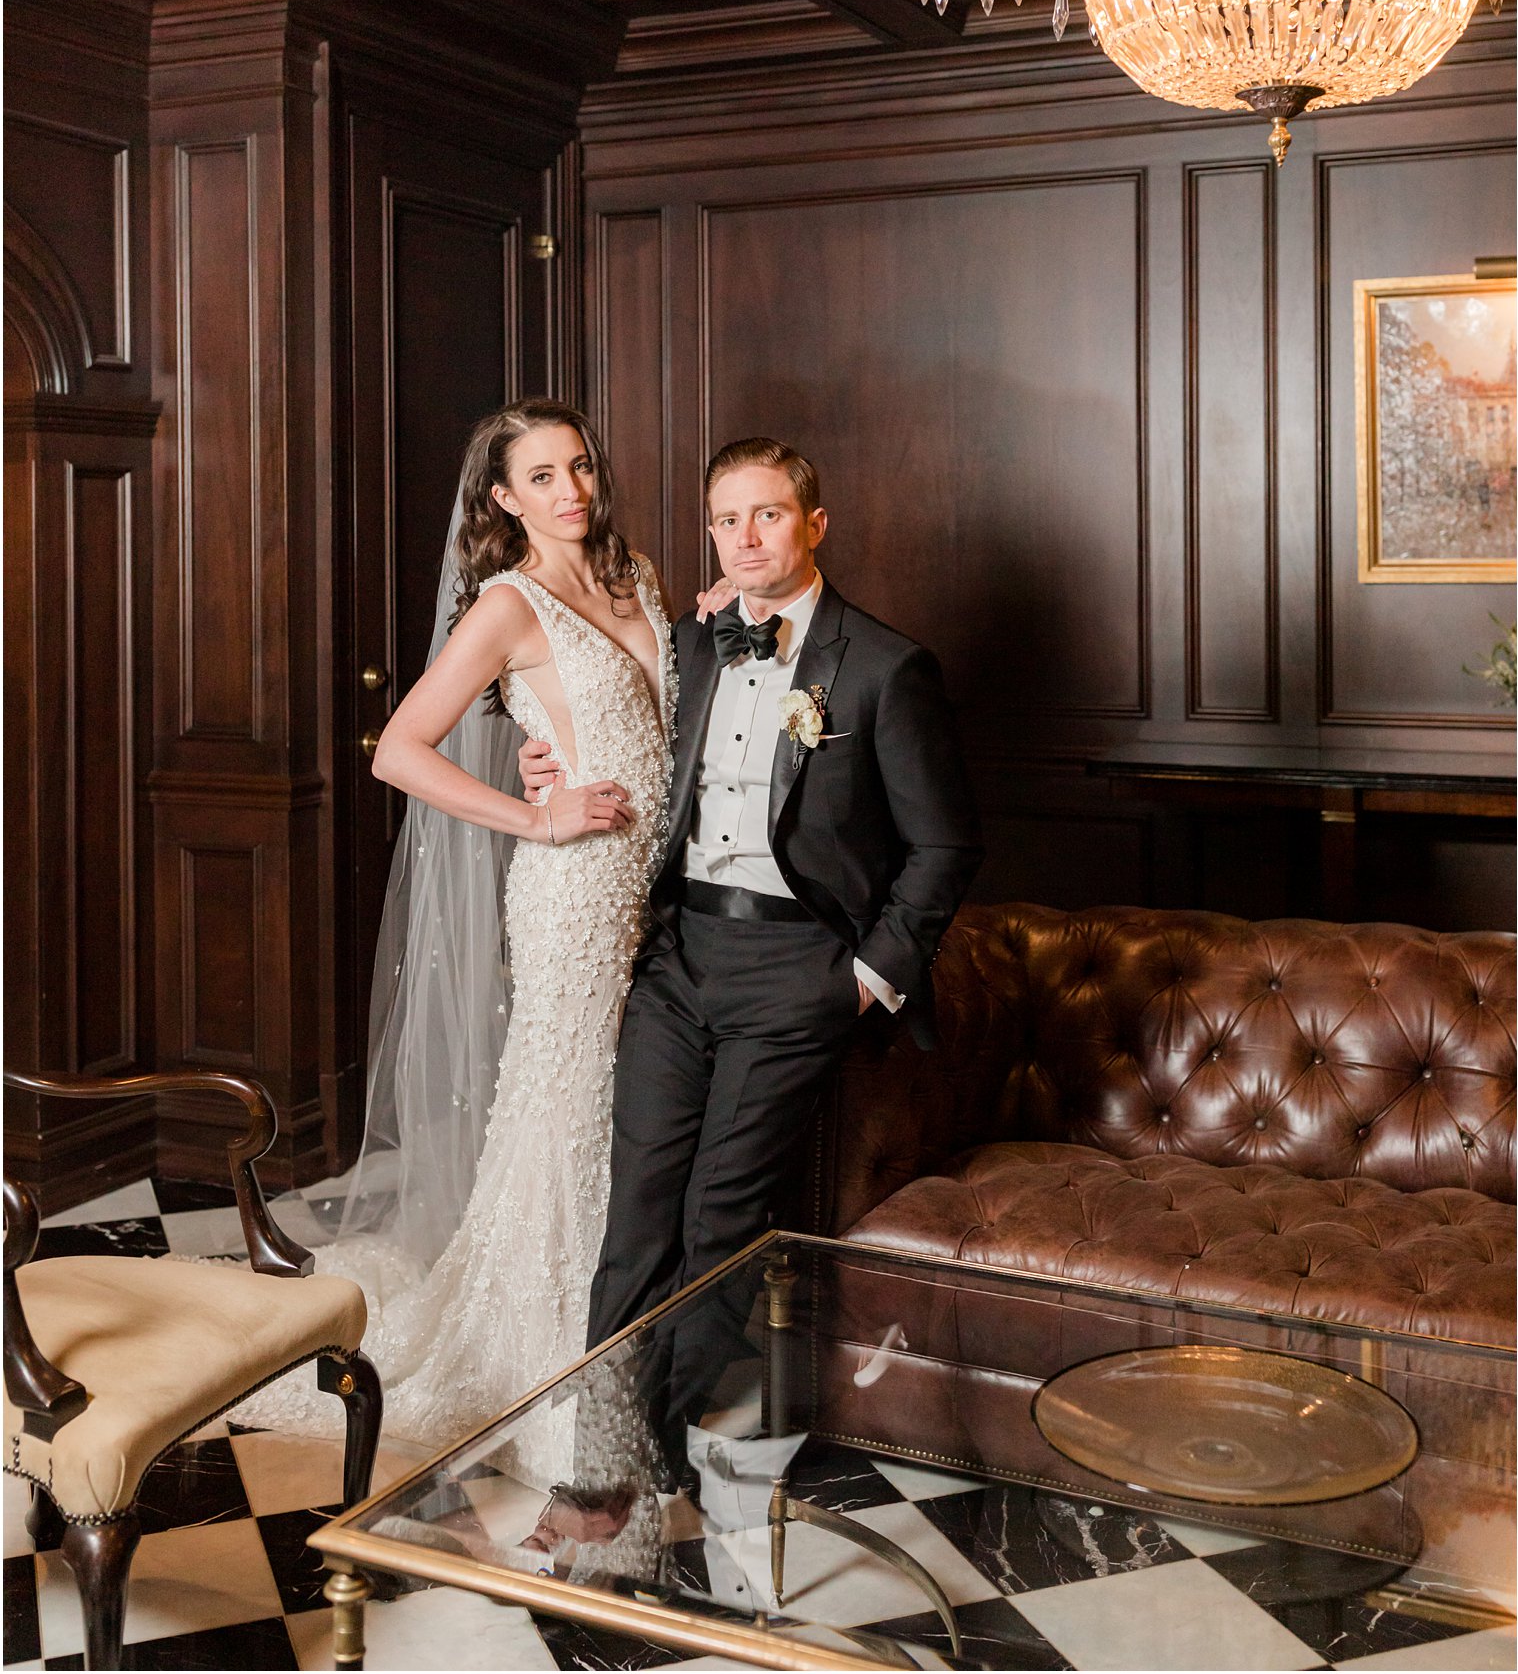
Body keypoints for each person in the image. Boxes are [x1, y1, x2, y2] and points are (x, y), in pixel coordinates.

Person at [233, 399, 695, 1468]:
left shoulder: (637, 575)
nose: (570, 491)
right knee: (565, 1117)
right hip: (574, 895)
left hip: (660, 892)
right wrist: (537, 812)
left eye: (579, 467)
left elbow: (666, 712)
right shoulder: (507, 602)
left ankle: (635, 1334)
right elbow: (398, 750)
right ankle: (555, 1362)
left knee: (633, 1117)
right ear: (501, 497)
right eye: (540, 478)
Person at [523, 436, 981, 1397]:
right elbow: (596, 717)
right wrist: (541, 767)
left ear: (815, 523)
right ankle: (606, 1441)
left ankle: (654, 1443)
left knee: (718, 1216)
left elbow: (945, 846)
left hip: (798, 965)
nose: (744, 538)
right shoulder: (692, 639)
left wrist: (863, 979)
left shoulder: (886, 667)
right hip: (679, 952)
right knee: (637, 1207)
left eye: (767, 514)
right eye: (725, 520)